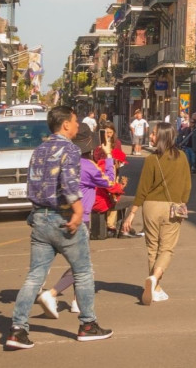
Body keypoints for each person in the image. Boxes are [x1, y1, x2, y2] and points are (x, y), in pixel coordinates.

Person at [6, 106, 113, 349]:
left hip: (40, 217)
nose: (77, 126)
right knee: (83, 272)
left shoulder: (39, 149)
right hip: (63, 217)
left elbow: (31, 184)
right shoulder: (70, 149)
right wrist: (77, 210)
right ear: (65, 124)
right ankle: (88, 324)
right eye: (75, 122)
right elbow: (68, 181)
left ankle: (17, 328)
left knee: (35, 275)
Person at [36, 123, 120, 319]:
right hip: (81, 218)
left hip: (56, 214)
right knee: (83, 265)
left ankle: (75, 300)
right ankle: (53, 293)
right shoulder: (88, 166)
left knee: (64, 262)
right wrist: (108, 157)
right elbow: (110, 182)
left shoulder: (61, 160)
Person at [120, 122, 192, 305]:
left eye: (153, 134)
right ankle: (155, 279)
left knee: (152, 248)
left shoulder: (152, 160)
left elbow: (143, 188)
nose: (150, 137)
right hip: (173, 207)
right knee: (166, 248)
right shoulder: (182, 157)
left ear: (162, 137)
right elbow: (187, 185)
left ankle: (156, 287)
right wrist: (181, 202)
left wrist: (131, 213)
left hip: (151, 206)